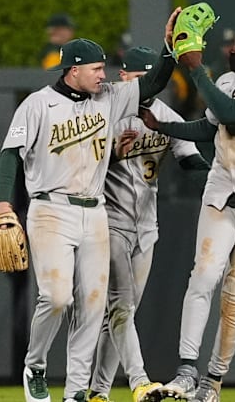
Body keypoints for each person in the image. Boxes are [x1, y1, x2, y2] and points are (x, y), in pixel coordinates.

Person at [0, 7, 183, 402]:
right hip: (50, 209)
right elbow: (11, 154)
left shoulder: (109, 98)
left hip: (95, 212)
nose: (103, 74)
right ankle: (37, 364)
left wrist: (169, 45)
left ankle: (77, 391)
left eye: (103, 67)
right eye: (96, 68)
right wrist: (2, 203)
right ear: (72, 70)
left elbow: (155, 83)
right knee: (58, 298)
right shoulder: (38, 104)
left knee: (94, 307)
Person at [139, 20, 235, 402]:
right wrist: (164, 126)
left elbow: (233, 115)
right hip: (222, 191)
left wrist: (195, 68)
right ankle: (186, 372)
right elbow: (210, 128)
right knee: (203, 277)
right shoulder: (226, 81)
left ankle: (213, 382)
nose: (232, 50)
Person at [87, 46, 211, 402]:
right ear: (123, 77)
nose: (145, 84)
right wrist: (113, 153)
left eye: (149, 77)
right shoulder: (106, 113)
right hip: (109, 221)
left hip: (146, 226)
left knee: (120, 314)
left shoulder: (163, 114)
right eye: (138, 77)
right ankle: (139, 382)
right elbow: (80, 170)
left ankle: (97, 392)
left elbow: (190, 161)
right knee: (122, 306)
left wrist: (222, 186)